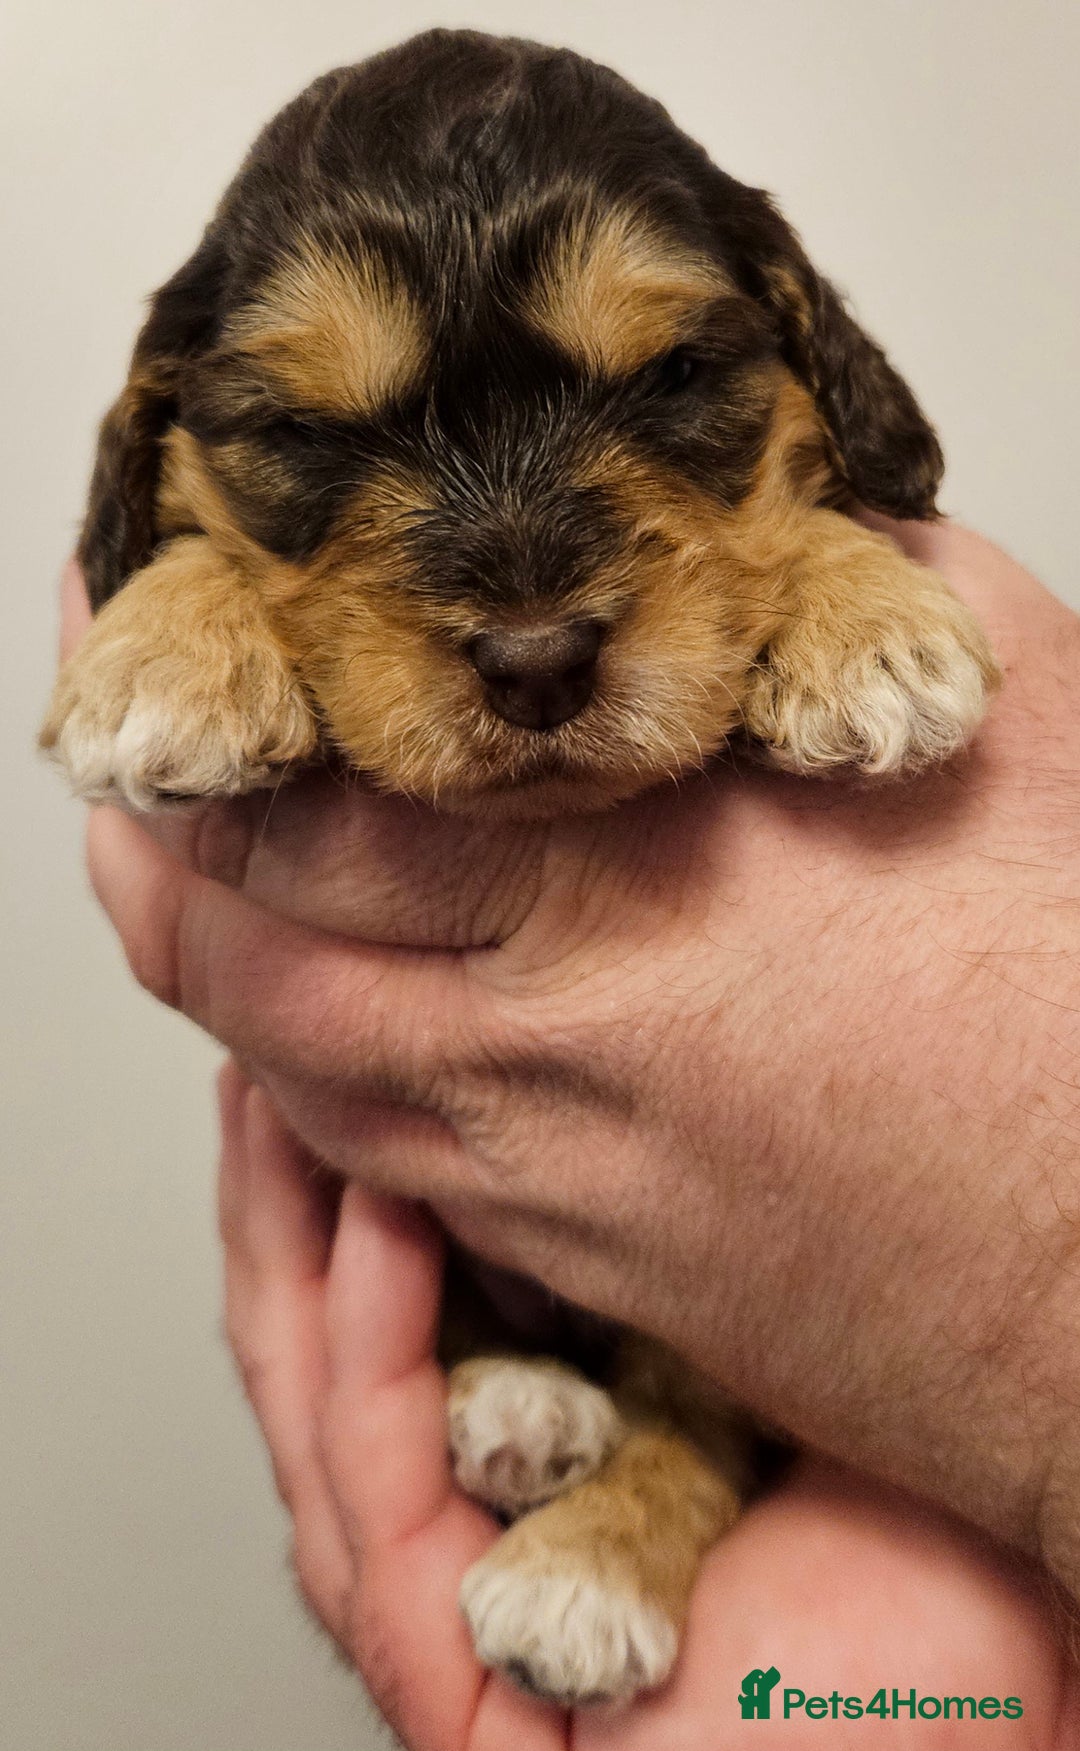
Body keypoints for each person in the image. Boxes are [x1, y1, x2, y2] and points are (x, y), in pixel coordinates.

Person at [60, 518, 1080, 1747]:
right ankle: (540, 1410)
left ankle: (663, 1488)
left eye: (669, 380)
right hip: (443, 1251)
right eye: (306, 435)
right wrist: (193, 592)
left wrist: (1039, 1291)